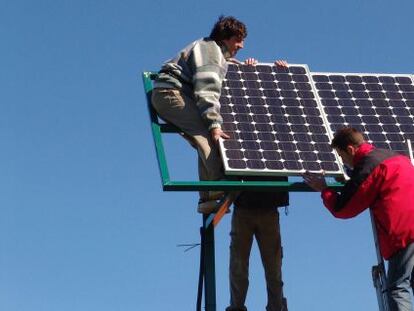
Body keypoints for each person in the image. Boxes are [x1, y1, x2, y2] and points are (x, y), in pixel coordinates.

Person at [303, 127, 414, 311]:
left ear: (350, 150)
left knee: (397, 287)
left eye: (341, 155)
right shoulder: (395, 156)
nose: (342, 161)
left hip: (404, 232)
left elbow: (344, 208)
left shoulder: (369, 167)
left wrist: (324, 189)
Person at [151, 16, 247, 213]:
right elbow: (207, 91)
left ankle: (207, 198)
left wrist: (226, 60)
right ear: (224, 37)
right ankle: (216, 189)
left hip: (169, 93)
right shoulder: (210, 52)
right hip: (171, 94)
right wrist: (215, 125)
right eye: (238, 39)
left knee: (201, 138)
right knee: (207, 134)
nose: (241, 45)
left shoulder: (209, 49)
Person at [226, 176, 289, 311]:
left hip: (267, 207)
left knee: (273, 265)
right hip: (245, 206)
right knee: (239, 262)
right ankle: (237, 306)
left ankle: (276, 306)